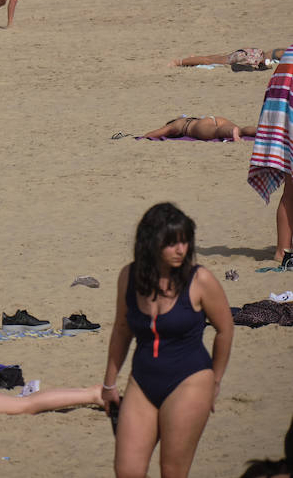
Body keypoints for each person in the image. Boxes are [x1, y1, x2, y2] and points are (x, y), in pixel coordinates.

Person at [103, 203, 234, 478]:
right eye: (172, 243)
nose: (181, 250)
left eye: (185, 241)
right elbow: (122, 330)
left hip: (189, 381)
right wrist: (109, 383)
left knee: (172, 472)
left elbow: (225, 329)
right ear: (152, 243)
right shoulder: (129, 276)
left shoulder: (200, 280)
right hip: (142, 381)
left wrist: (216, 380)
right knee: (127, 471)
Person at [248, 47, 293, 269]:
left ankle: (282, 250)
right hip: (286, 111)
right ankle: (282, 251)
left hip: (280, 112)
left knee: (291, 188)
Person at [141, 116, 256, 141]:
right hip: (212, 118)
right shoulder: (186, 119)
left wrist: (143, 136)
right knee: (241, 130)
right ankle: (259, 131)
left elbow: (151, 134)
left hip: (198, 127)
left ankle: (232, 132)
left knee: (217, 132)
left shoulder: (175, 125)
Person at [171, 47, 282, 69]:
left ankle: (192, 59)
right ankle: (179, 62)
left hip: (253, 53)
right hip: (252, 57)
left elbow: (273, 52)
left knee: (218, 59)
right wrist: (266, 64)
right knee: (212, 61)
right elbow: (271, 55)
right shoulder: (286, 53)